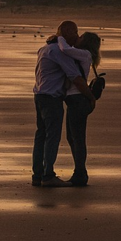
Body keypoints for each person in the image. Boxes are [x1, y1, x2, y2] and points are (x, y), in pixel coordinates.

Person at [32, 21, 95, 187]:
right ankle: (48, 176)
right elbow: (75, 77)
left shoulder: (44, 49)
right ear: (67, 32)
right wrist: (91, 96)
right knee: (52, 136)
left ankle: (37, 175)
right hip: (52, 98)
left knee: (41, 136)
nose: (77, 36)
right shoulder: (58, 52)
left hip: (39, 95)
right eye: (75, 32)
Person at [54, 32, 102, 187]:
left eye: (80, 37)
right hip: (76, 101)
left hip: (78, 100)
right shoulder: (84, 54)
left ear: (85, 42)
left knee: (77, 138)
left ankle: (80, 173)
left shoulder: (84, 54)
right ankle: (80, 172)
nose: (77, 38)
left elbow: (65, 49)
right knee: (72, 137)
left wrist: (60, 36)